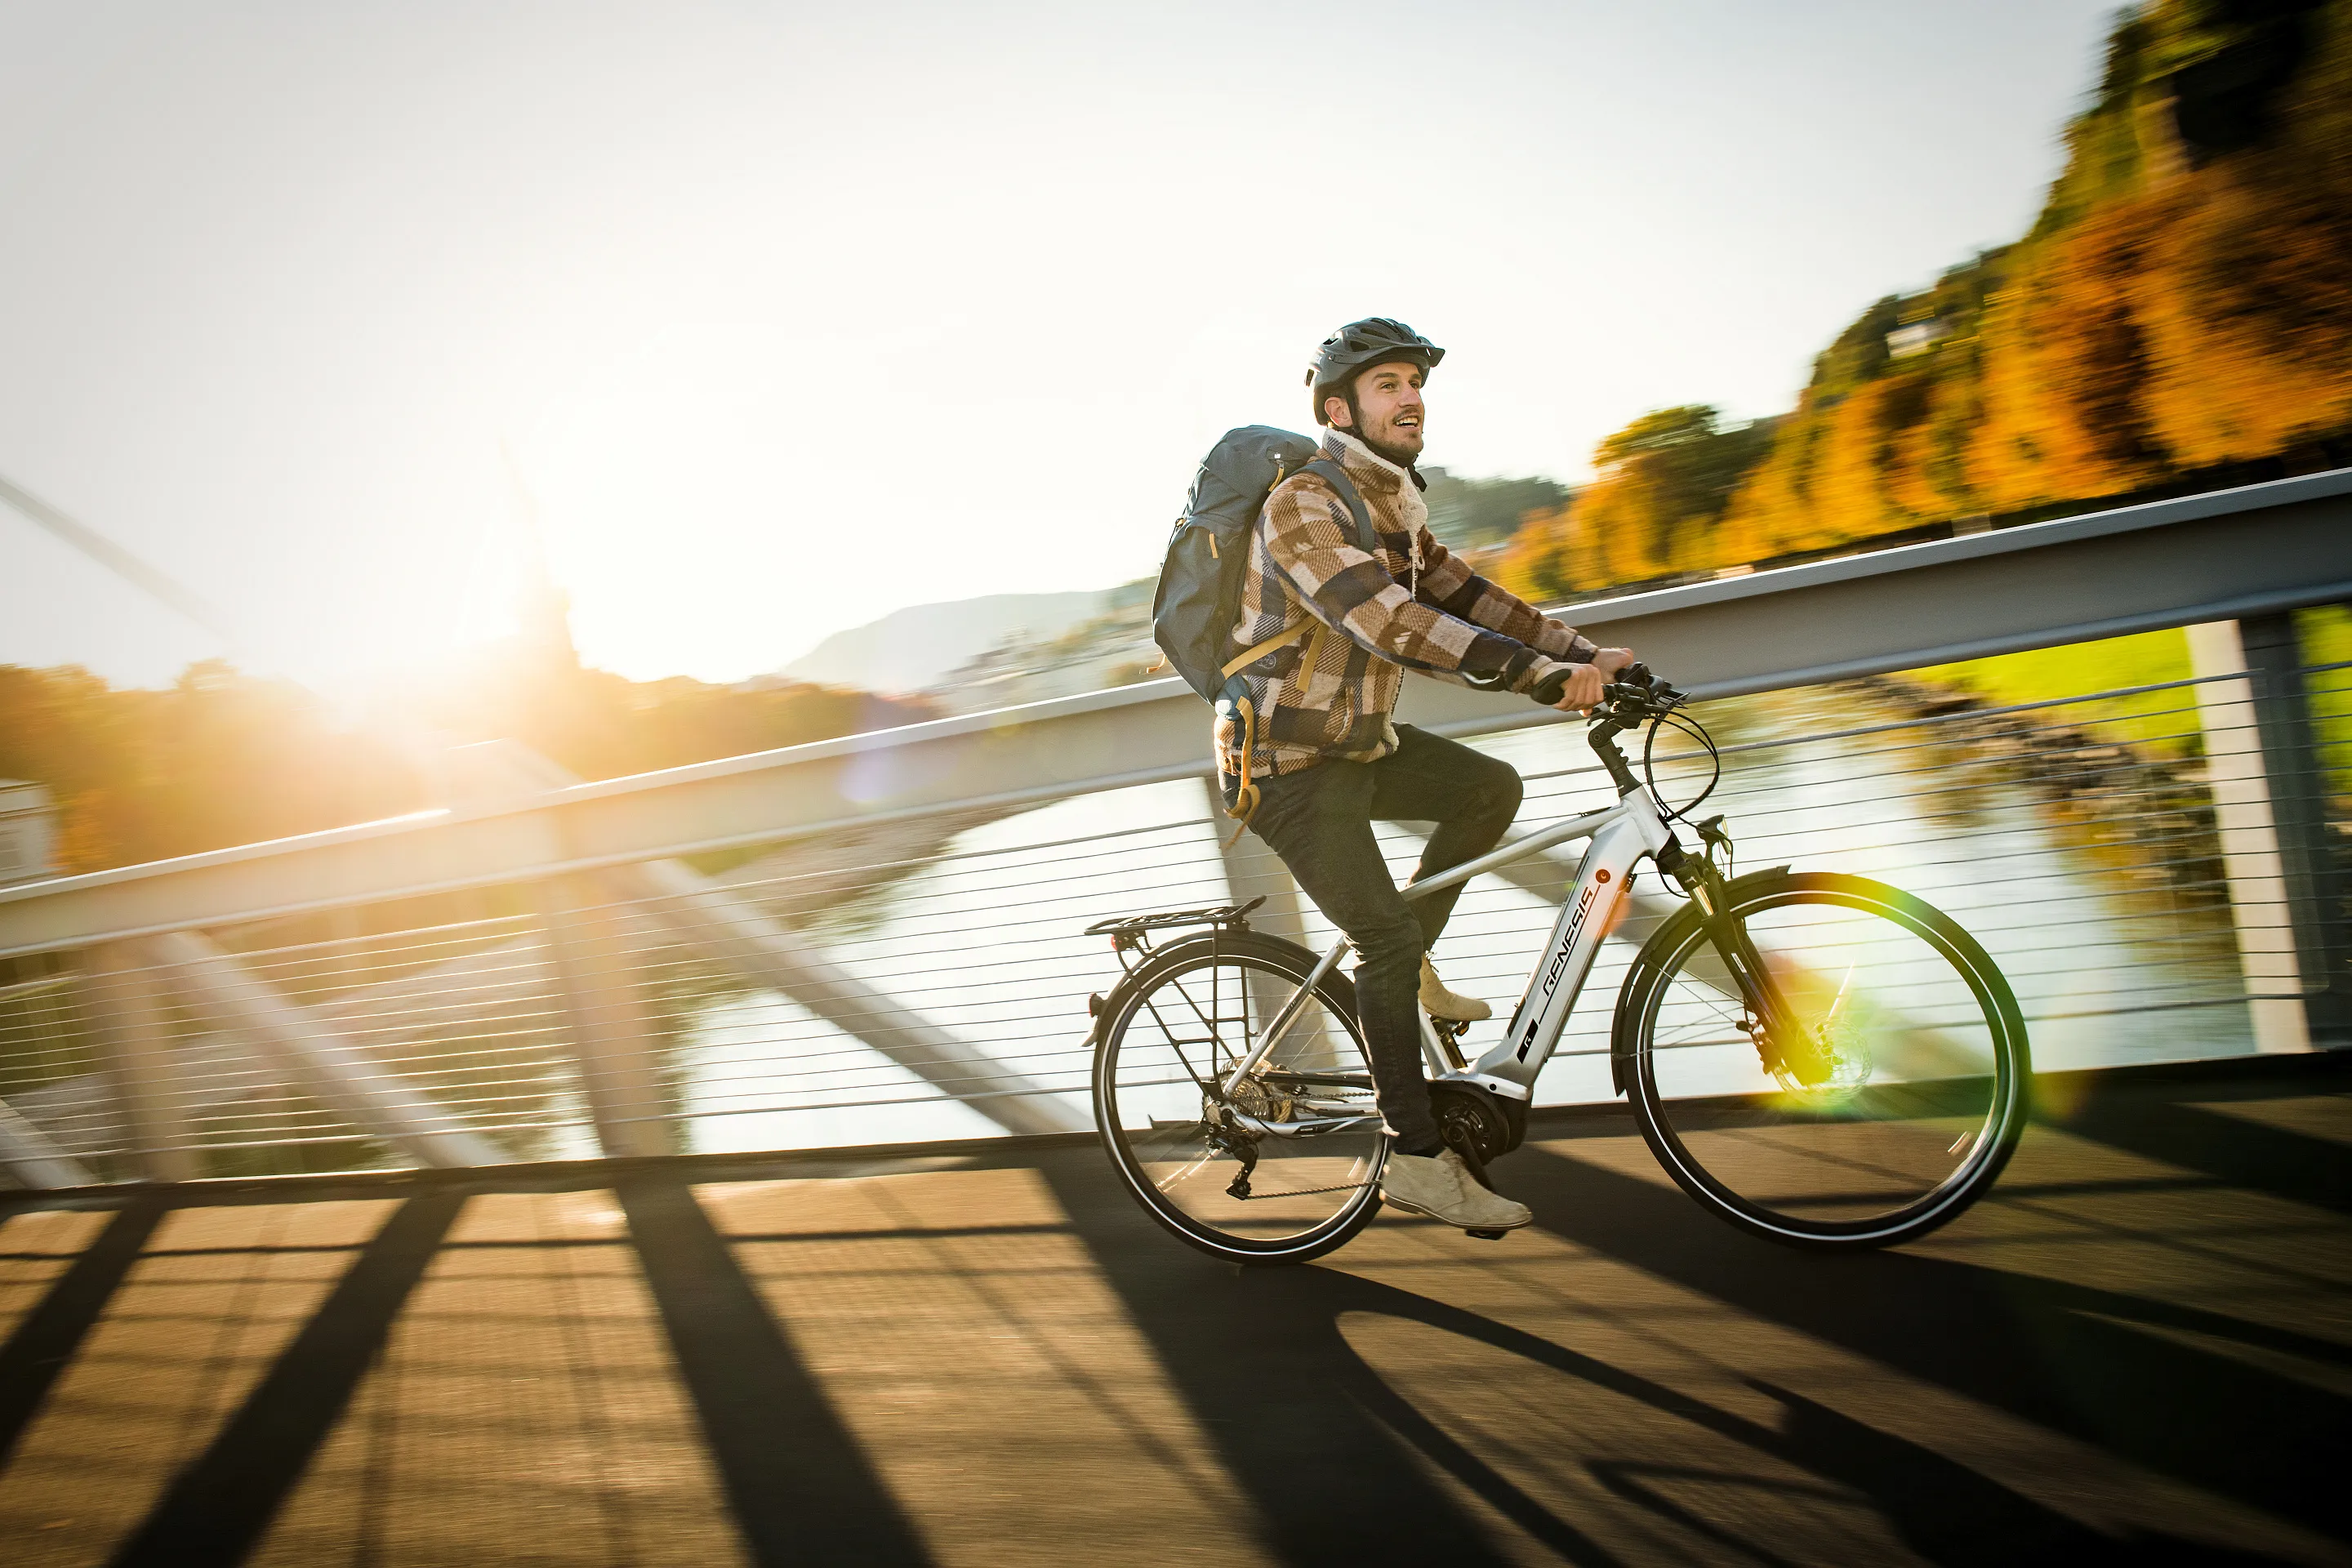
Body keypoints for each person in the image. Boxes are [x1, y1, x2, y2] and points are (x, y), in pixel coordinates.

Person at [1219, 318, 1634, 1232]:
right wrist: (1532, 675)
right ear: (1339, 410)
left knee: (1491, 789)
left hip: (1355, 744)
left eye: (1416, 382)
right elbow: (1389, 621)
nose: (1411, 398)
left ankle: (1409, 973)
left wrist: (1583, 651)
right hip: (1287, 764)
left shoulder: (1393, 506)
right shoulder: (1303, 505)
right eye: (1387, 385)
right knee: (1386, 943)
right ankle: (1414, 1159)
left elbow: (1471, 598)